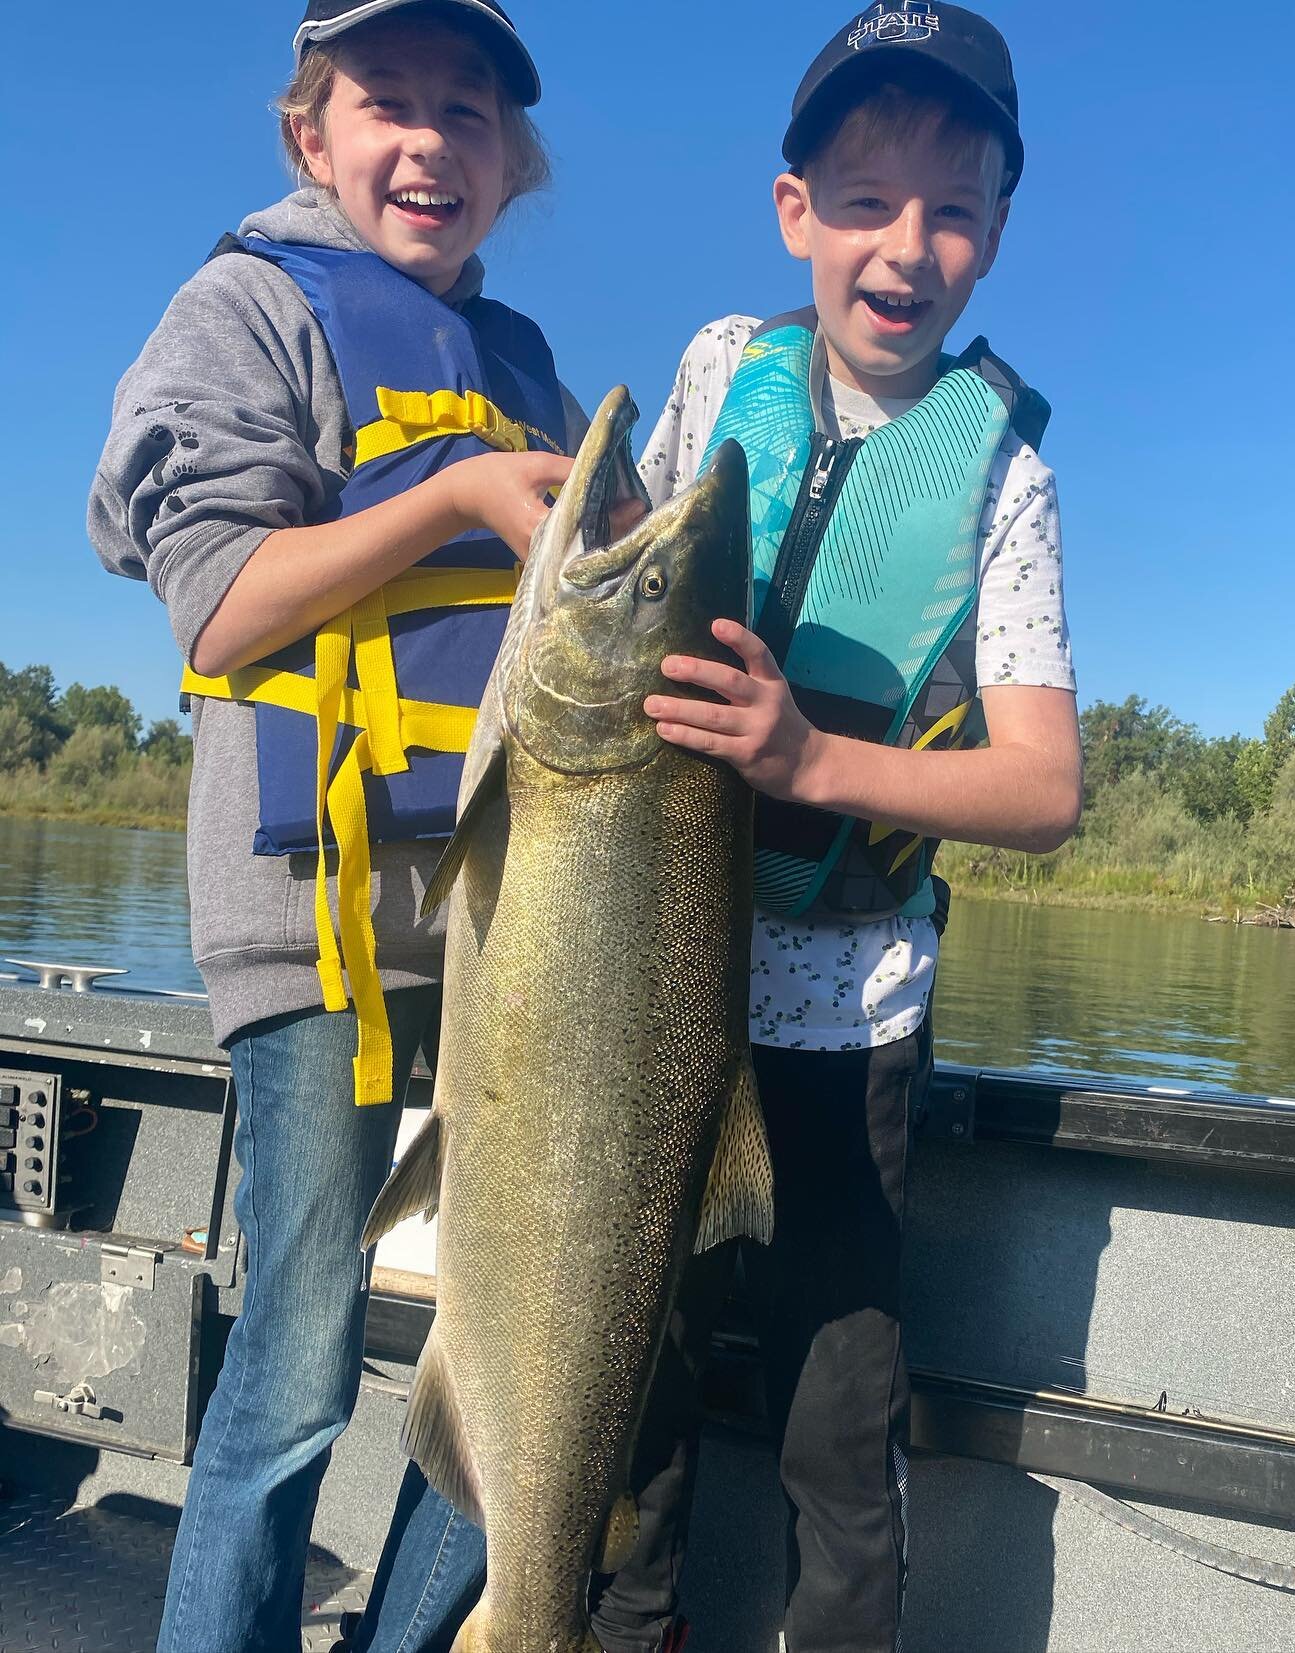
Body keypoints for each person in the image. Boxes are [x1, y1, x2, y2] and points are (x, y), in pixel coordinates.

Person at [87, 3, 585, 1648]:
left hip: (506, 940)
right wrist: (450, 493)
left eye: (470, 110)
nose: (432, 141)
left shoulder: (521, 368)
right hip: (312, 929)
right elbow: (219, 610)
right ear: (311, 135)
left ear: (513, 161)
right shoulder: (243, 309)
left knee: (512, 1349)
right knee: (298, 1365)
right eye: (390, 103)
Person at [591, 8, 1083, 1651]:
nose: (908, 245)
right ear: (795, 209)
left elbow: (1043, 788)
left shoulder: (1003, 476)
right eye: (866, 201)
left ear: (1000, 231)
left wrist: (811, 761)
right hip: (648, 987)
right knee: (628, 1383)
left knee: (834, 1432)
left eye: (954, 209)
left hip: (844, 1022)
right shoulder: (721, 370)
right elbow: (627, 592)